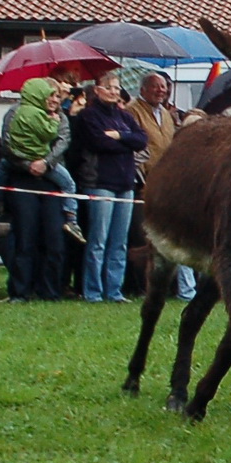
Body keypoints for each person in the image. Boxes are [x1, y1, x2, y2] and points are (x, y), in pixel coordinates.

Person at [77, 73, 147, 303]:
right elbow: (99, 142)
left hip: (125, 184)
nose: (114, 91)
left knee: (119, 241)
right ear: (97, 90)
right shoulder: (88, 116)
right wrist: (126, 143)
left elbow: (141, 140)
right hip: (100, 184)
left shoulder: (125, 117)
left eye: (117, 88)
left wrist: (120, 136)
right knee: (98, 240)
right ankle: (93, 291)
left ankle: (114, 291)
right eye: (109, 87)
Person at [2, 78, 72, 302]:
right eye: (50, 95)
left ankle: (50, 291)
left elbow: (63, 141)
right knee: (25, 237)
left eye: (56, 96)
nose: (54, 100)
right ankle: (20, 290)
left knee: (54, 239)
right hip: (23, 180)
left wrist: (46, 163)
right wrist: (27, 164)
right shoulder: (15, 113)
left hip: (51, 182)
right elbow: (7, 144)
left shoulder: (60, 117)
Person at [129, 72, 185, 295]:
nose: (161, 91)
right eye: (155, 87)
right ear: (143, 90)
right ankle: (139, 285)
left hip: (166, 183)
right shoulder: (133, 111)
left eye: (163, 87)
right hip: (143, 182)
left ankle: (167, 286)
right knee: (142, 236)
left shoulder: (166, 114)